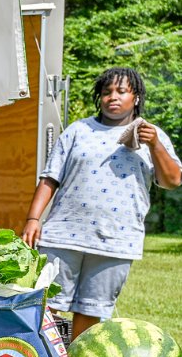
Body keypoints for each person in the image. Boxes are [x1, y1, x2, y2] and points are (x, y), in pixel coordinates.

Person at [23, 66, 179, 341]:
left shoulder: (152, 136)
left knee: (91, 311)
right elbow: (50, 178)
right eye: (106, 92)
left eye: (121, 91)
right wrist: (33, 219)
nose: (112, 97)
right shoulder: (78, 130)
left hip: (116, 240)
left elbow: (172, 180)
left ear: (136, 98)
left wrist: (154, 145)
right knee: (49, 306)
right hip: (63, 236)